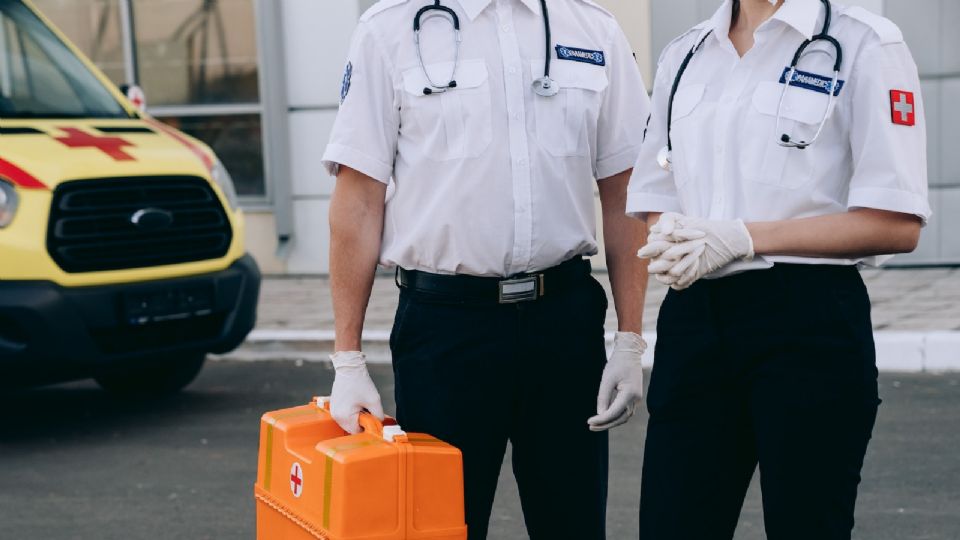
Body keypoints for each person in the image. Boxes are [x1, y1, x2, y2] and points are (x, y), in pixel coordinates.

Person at [321, 0, 650, 538]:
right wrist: (347, 359)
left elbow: (625, 190)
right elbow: (357, 203)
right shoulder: (390, 30)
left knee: (573, 522)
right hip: (446, 331)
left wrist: (631, 339)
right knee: (441, 525)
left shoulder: (592, 28)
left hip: (563, 324)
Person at [627, 0, 929, 539]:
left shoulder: (864, 44)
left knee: (808, 525)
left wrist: (744, 237)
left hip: (808, 320)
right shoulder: (687, 52)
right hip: (695, 321)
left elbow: (896, 221)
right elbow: (656, 189)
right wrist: (672, 234)